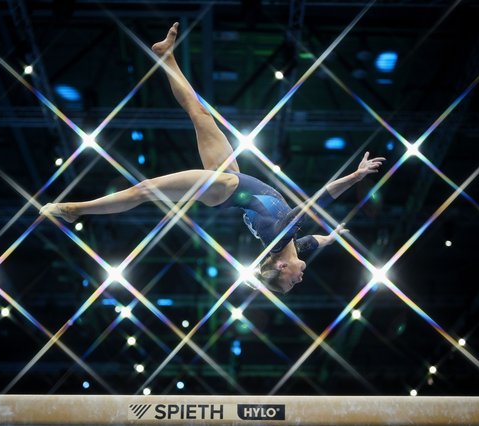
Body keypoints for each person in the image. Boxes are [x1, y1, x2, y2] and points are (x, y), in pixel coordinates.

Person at [40, 23, 385, 294]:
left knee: (147, 189)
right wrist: (334, 235)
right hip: (231, 181)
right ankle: (167, 57)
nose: (299, 281)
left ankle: (76, 209)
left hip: (227, 190)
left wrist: (355, 177)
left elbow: (319, 200)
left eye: (291, 282)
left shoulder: (281, 238)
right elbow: (320, 238)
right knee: (200, 114)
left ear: (281, 268)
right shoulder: (297, 244)